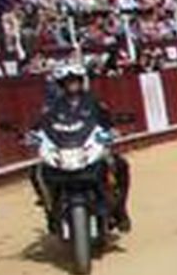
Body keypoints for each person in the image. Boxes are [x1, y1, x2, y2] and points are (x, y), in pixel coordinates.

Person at [30, 61, 132, 231]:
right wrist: (32, 135)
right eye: (68, 81)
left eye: (75, 80)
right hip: (63, 151)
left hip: (88, 148)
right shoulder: (52, 106)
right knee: (36, 171)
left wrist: (113, 131)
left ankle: (120, 210)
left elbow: (108, 123)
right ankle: (50, 210)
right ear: (61, 84)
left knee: (119, 165)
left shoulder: (94, 103)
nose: (72, 84)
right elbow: (40, 126)